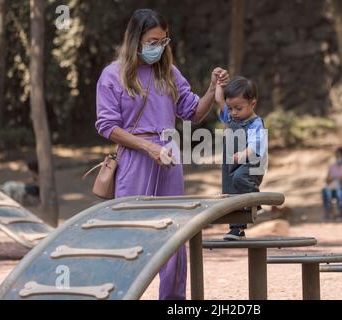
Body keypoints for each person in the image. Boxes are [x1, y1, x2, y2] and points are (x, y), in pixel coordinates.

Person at [95, 9, 229, 300]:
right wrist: (147, 147)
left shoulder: (168, 72)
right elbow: (107, 126)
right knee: (130, 233)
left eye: (163, 41)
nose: (158, 46)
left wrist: (211, 89)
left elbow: (193, 112)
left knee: (173, 236)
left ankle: (173, 301)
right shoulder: (112, 75)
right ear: (135, 40)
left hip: (169, 160)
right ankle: (122, 295)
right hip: (134, 160)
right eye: (152, 40)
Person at [215, 76, 267, 241]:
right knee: (231, 195)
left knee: (240, 178)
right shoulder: (230, 118)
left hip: (251, 164)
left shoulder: (255, 123)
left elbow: (256, 144)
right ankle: (236, 230)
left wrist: (244, 153)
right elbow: (219, 100)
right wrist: (218, 85)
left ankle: (255, 200)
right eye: (231, 108)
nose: (233, 113)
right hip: (231, 165)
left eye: (238, 108)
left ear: (252, 104)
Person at [321, 147, 342, 221]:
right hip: (332, 187)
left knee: (339, 192)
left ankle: (341, 214)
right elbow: (327, 179)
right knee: (325, 191)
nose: (338, 157)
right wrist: (336, 178)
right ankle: (328, 213)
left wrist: (337, 178)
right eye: (337, 155)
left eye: (339, 155)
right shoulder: (332, 167)